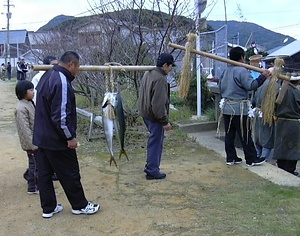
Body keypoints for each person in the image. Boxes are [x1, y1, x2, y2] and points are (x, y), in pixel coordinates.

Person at [33, 51, 99, 218]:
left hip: (42, 136)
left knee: (45, 174)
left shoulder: (47, 75)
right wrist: (69, 137)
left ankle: (48, 208)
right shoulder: (61, 81)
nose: (77, 71)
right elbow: (60, 116)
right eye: (77, 67)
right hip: (56, 139)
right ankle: (80, 205)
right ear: (71, 64)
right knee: (70, 172)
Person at [219, 46, 271, 166]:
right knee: (245, 134)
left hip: (227, 107)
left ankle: (231, 158)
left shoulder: (225, 71)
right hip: (239, 109)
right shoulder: (241, 70)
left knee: (229, 134)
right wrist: (263, 76)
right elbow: (251, 85)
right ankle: (251, 159)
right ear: (242, 57)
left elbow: (221, 87)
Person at [138, 52, 174, 180]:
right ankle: (152, 170)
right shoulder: (160, 79)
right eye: (170, 66)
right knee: (156, 142)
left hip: (146, 113)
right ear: (165, 65)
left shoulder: (149, 73)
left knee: (154, 141)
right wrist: (165, 122)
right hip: (154, 116)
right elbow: (158, 105)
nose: (170, 69)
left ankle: (150, 166)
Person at [14, 80, 39, 194]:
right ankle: (32, 187)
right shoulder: (21, 108)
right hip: (31, 143)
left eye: (33, 89)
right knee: (35, 164)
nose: (33, 92)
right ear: (23, 92)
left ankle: (30, 177)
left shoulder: (29, 103)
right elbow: (25, 129)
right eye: (30, 90)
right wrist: (32, 144)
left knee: (36, 163)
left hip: (36, 140)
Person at [273, 75, 300, 176]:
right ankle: (290, 170)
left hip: (281, 122)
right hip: (293, 123)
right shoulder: (297, 93)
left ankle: (281, 167)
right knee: (292, 148)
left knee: (282, 146)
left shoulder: (280, 92)